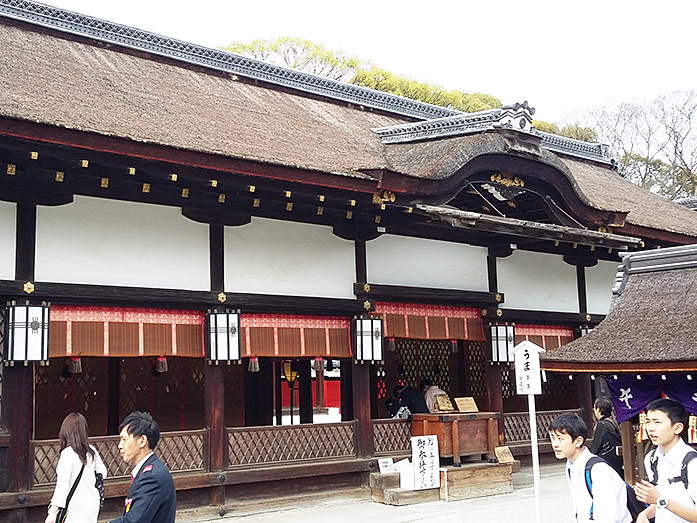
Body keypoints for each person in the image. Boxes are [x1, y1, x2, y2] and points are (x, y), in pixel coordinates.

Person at [549, 412, 631, 523]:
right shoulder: (571, 466)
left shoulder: (598, 471)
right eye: (553, 438)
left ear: (578, 441)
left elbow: (609, 516)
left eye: (560, 438)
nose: (555, 444)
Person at [635, 398, 697, 523]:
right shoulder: (651, 459)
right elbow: (661, 502)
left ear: (677, 428)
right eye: (648, 422)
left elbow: (662, 500)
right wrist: (645, 514)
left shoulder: (691, 462)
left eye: (657, 422)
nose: (650, 428)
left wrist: (660, 500)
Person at [109, 411, 176, 523]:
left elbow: (135, 520)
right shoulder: (148, 471)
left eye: (124, 439)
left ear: (142, 441)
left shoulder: (152, 477)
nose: (119, 446)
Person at [46, 413, 107, 523]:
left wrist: (53, 511)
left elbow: (62, 486)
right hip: (92, 503)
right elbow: (103, 473)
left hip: (75, 506)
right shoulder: (91, 451)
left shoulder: (68, 454)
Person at [589, 397, 623, 476]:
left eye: (594, 408)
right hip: (616, 460)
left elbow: (595, 447)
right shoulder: (612, 422)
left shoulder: (602, 425)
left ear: (598, 410)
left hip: (607, 462)